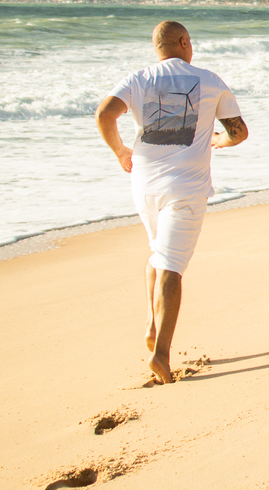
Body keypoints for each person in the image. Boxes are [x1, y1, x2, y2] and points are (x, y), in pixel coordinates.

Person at [95, 21, 248, 385]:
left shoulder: (139, 79)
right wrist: (220, 141)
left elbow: (104, 114)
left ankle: (152, 325)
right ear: (184, 42)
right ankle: (161, 354)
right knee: (172, 267)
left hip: (144, 185)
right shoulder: (209, 80)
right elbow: (239, 132)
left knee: (158, 255)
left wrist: (120, 151)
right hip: (185, 188)